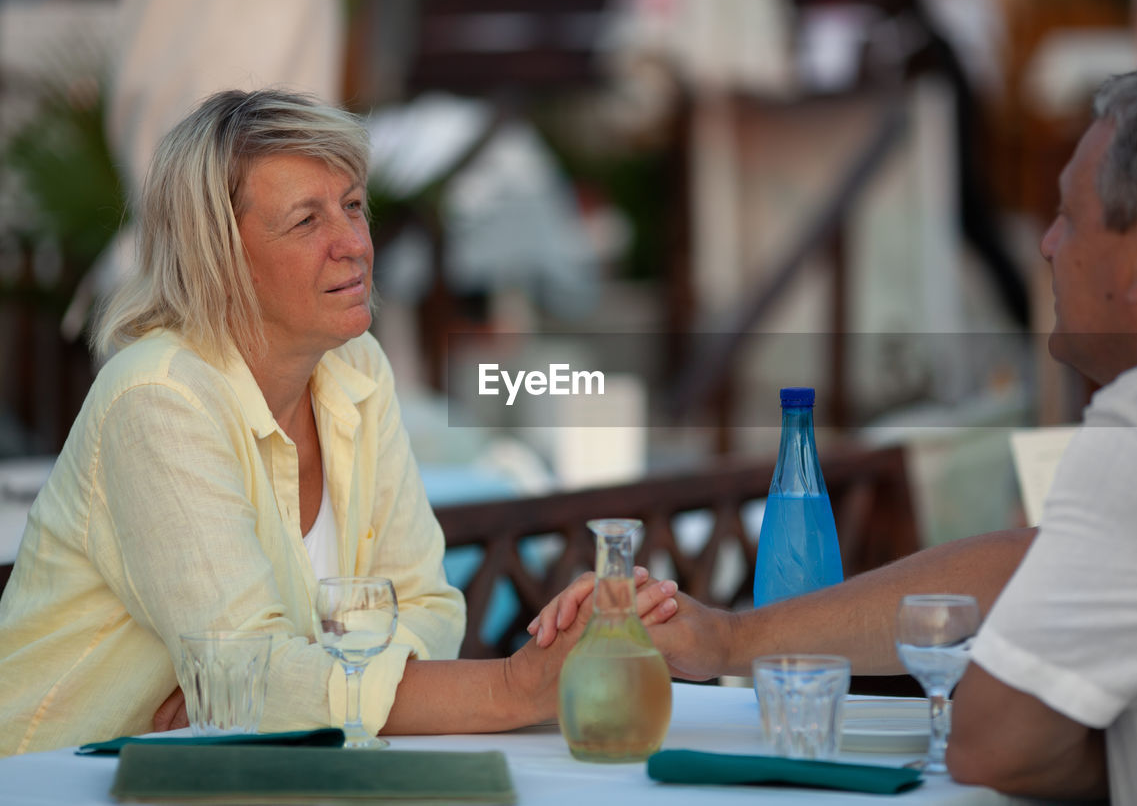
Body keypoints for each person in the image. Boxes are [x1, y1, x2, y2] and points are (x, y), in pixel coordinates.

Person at [534, 65, 1137, 803]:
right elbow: (1040, 559)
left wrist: (1120, 742)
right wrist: (729, 639)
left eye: (1071, 217)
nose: (1049, 244)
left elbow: (993, 745)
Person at [0, 89, 676, 756]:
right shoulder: (157, 397)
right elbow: (250, 673)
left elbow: (430, 607)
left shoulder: (355, 368)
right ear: (221, 257)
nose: (353, 242)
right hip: (52, 776)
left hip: (237, 774)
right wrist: (512, 685)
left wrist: (293, 695)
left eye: (353, 206)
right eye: (306, 220)